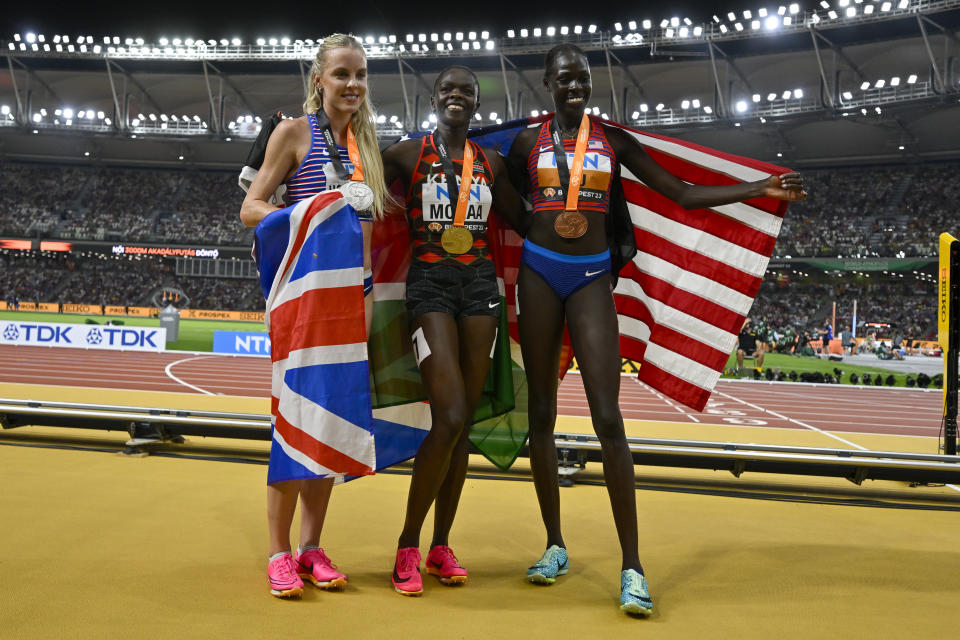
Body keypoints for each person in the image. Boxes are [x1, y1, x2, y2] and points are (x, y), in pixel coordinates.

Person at [505, 43, 806, 616]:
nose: (575, 87)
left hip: (591, 279)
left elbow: (681, 193)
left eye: (583, 80)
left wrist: (756, 190)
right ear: (547, 83)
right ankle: (554, 545)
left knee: (608, 418)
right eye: (564, 79)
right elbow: (500, 196)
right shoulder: (525, 144)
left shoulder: (613, 142)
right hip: (538, 276)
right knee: (540, 414)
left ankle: (633, 566)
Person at [239, 33, 390, 598]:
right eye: (343, 74)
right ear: (319, 80)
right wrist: (314, 207)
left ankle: (312, 548)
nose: (353, 85)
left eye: (361, 75)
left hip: (351, 304)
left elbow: (370, 239)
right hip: (302, 306)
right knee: (292, 428)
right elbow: (252, 209)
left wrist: (369, 302)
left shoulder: (366, 144)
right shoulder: (295, 133)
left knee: (331, 427)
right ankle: (279, 553)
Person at [380, 65, 530, 596]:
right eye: (448, 90)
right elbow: (354, 179)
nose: (457, 97)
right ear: (435, 98)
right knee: (446, 416)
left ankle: (442, 544)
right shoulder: (405, 153)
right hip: (429, 290)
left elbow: (525, 219)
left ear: (477, 102)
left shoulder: (490, 162)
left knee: (461, 423)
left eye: (466, 91)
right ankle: (407, 542)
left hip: (481, 291)